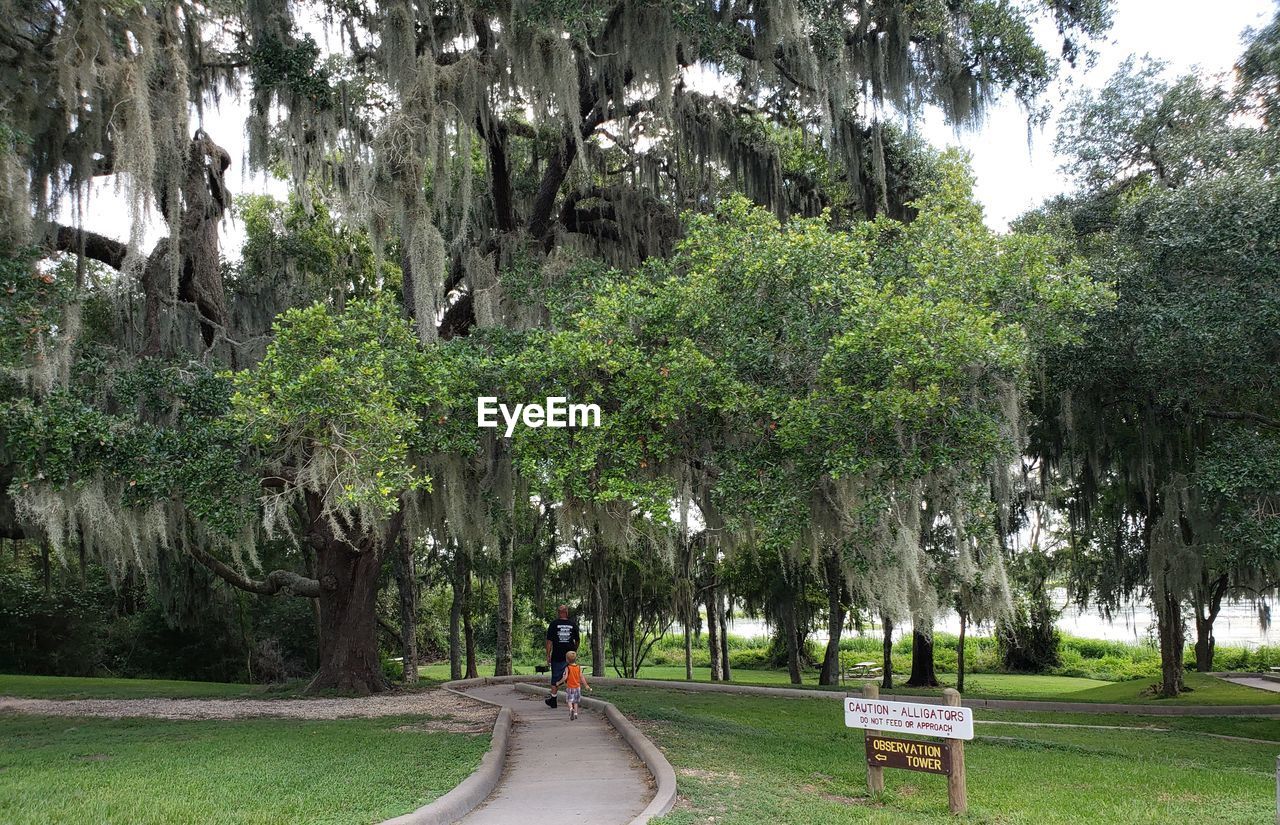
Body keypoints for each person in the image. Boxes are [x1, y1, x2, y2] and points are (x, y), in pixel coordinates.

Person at [544, 604, 579, 708]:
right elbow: (577, 640)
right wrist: (574, 651)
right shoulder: (573, 624)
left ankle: (553, 700)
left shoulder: (554, 624)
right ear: (567, 612)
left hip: (557, 656)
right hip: (570, 656)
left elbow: (549, 642)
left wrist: (548, 655)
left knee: (555, 678)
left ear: (559, 613)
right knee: (571, 677)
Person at [556, 650, 591, 720]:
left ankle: (571, 709)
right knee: (576, 702)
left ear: (567, 660)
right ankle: (575, 713)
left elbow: (565, 677)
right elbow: (581, 677)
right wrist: (586, 685)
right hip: (577, 687)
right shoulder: (578, 667)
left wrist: (559, 682)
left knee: (569, 701)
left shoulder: (567, 668)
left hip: (570, 688)